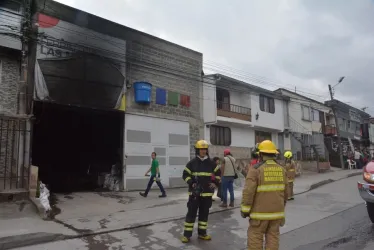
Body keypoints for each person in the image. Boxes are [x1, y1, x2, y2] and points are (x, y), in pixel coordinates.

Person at [241, 140, 288, 250]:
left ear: (261, 154)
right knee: (273, 238)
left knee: (255, 238)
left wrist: (245, 210)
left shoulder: (256, 170)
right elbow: (285, 193)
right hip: (277, 214)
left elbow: (248, 192)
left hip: (259, 215)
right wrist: (281, 208)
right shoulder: (282, 169)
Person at [181, 140, 220, 243]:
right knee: (191, 214)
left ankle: (202, 234)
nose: (203, 151)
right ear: (197, 150)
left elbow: (218, 174)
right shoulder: (192, 163)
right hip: (194, 194)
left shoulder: (211, 163)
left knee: (204, 214)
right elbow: (185, 175)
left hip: (207, 194)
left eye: (205, 149)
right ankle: (187, 235)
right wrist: (191, 183)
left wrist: (215, 183)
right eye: (201, 149)